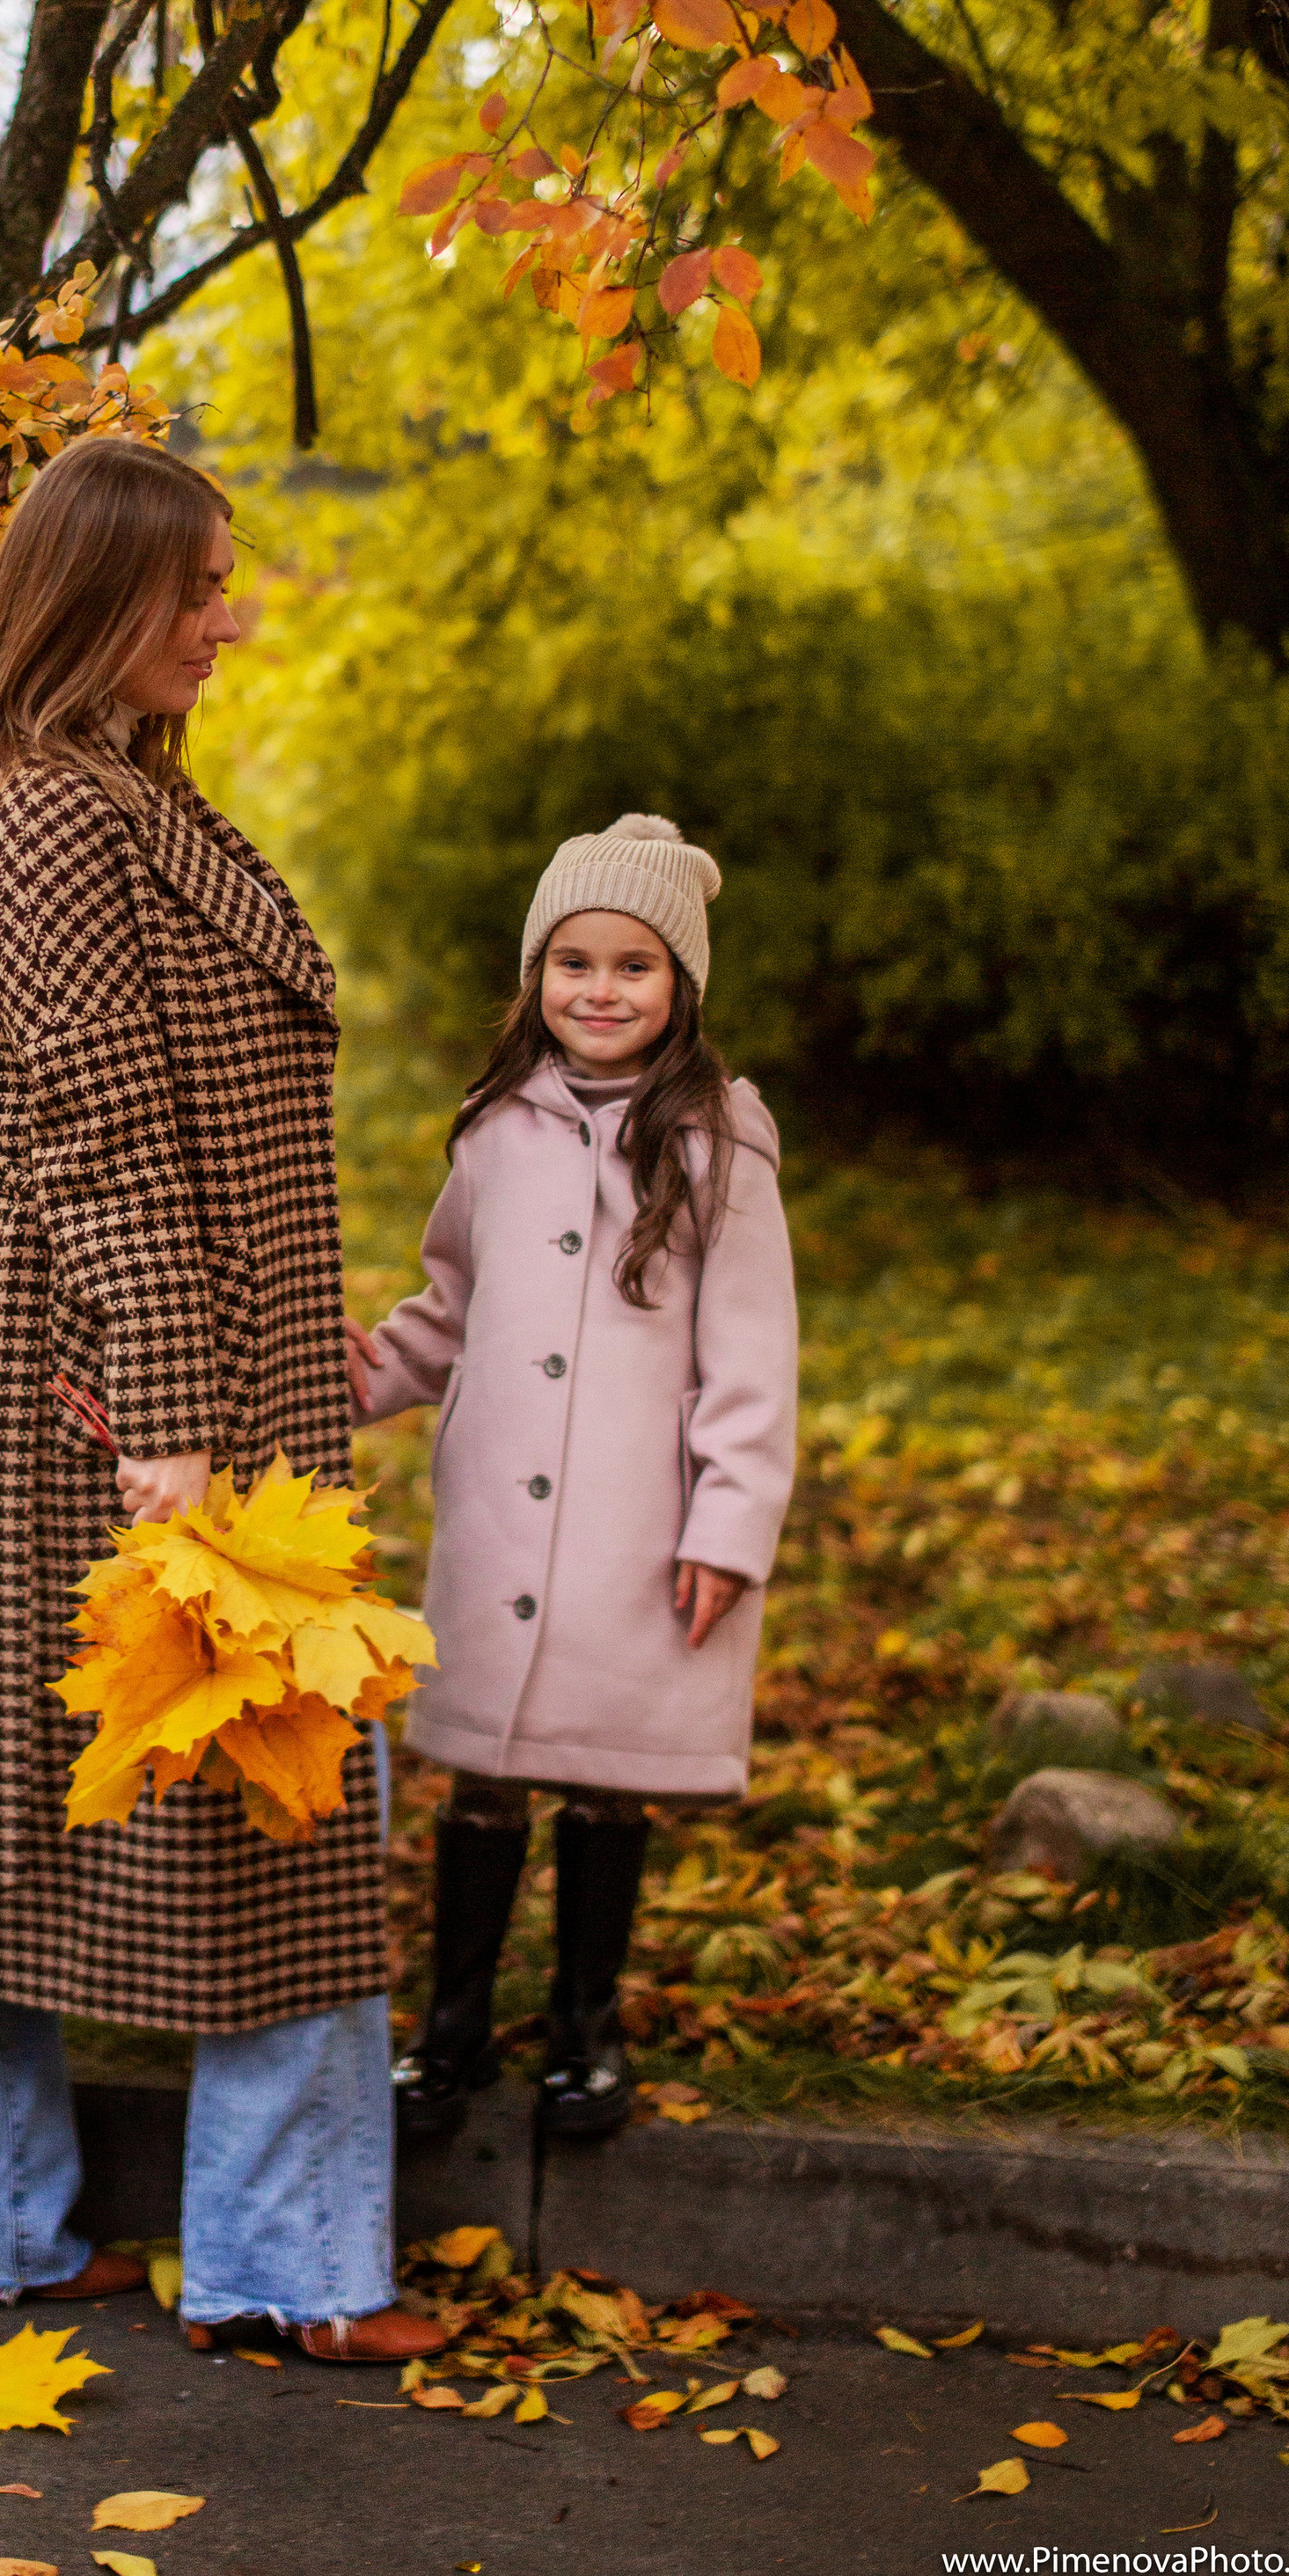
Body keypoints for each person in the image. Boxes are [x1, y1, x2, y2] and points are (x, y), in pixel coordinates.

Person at [0, 435, 444, 2364]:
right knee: (272, 1784)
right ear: (98, 595)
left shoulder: (103, 787)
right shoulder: (45, 813)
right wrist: (175, 1421)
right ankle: (287, 2270)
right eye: (194, 590)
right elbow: (97, 1133)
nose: (225, 621)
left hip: (118, 1371)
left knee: (14, 1789)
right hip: (118, 1393)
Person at [346, 813, 798, 2146]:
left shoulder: (720, 1141)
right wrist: (358, 1374)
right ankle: (452, 2028)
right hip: (499, 1517)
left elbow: (754, 1356)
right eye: (574, 962)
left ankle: (586, 2028)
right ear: (537, 972)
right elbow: (451, 1302)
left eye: (634, 966)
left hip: (635, 1524)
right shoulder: (494, 1129)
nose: (600, 991)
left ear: (682, 985)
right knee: (482, 1774)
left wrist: (728, 1527)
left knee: (607, 1773)